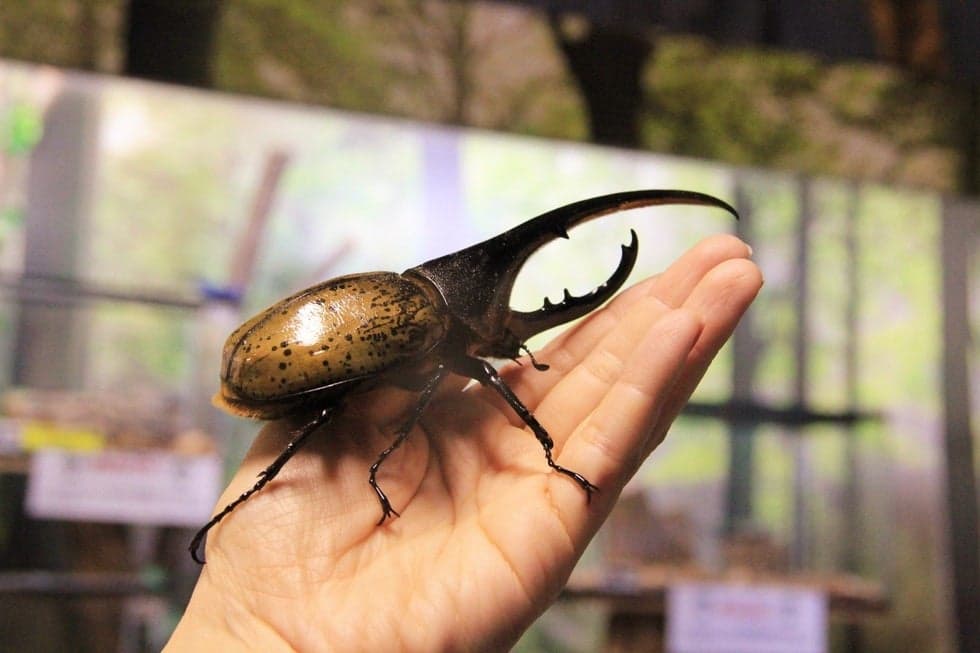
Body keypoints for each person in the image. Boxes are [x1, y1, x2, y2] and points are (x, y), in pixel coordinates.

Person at [165, 235, 762, 652]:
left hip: (259, 356)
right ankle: (263, 491)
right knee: (327, 413)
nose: (514, 336)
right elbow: (437, 384)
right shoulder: (414, 322)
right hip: (273, 373)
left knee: (345, 408)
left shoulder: (404, 297)